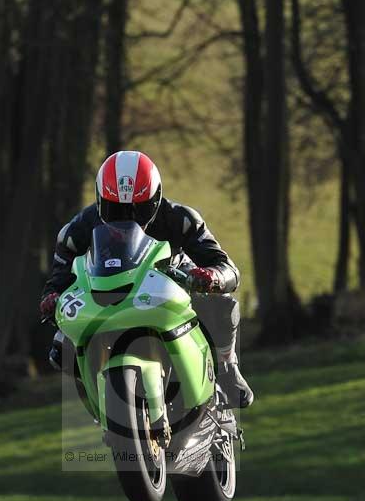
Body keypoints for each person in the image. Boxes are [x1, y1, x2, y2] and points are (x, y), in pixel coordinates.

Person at [40, 150, 254, 408]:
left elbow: (227, 268)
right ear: (100, 200)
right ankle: (101, 403)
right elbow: (57, 282)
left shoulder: (183, 220)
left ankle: (226, 366)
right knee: (61, 349)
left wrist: (209, 277)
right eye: (115, 209)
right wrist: (52, 299)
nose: (128, 218)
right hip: (105, 296)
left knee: (222, 305)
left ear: (156, 198)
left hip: (168, 289)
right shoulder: (76, 231)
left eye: (139, 209)